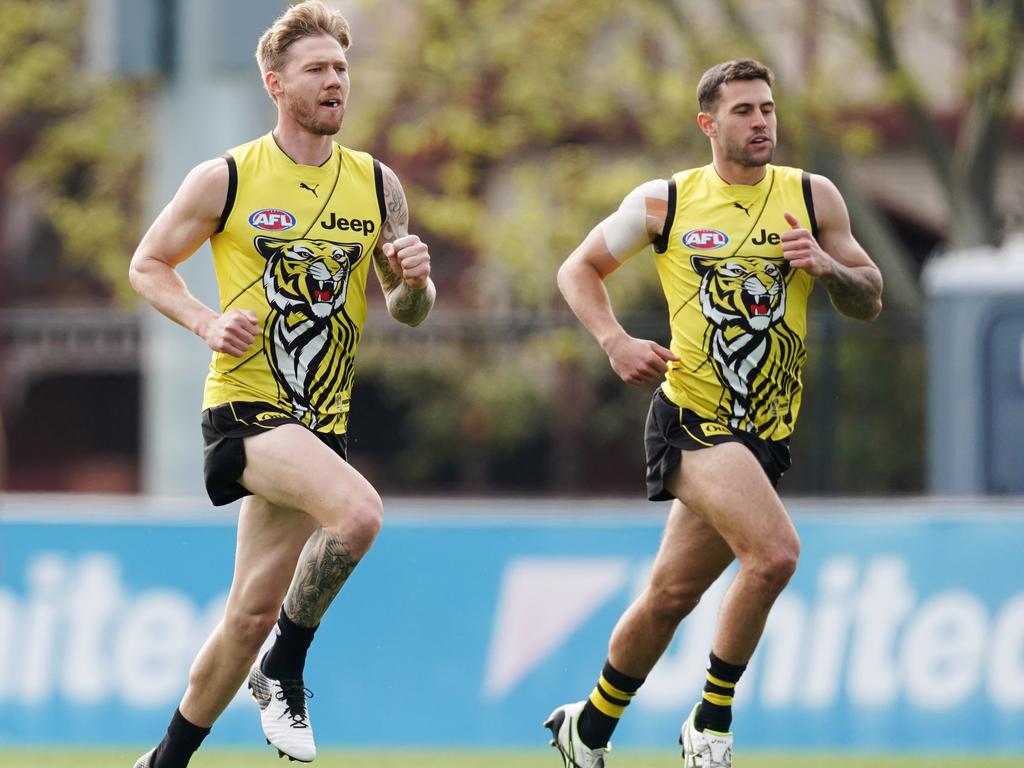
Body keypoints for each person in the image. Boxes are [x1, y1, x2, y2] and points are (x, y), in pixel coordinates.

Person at [546, 59, 882, 768]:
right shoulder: (664, 203)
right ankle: (711, 720)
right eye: (744, 111)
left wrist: (826, 267)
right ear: (709, 124)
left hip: (766, 436)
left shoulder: (812, 197)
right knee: (775, 555)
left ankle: (591, 727)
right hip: (692, 421)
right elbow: (576, 269)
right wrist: (614, 342)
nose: (761, 122)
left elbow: (870, 295)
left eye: (767, 109)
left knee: (669, 596)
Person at [128, 2, 435, 765]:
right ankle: (285, 670)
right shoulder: (226, 177)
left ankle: (163, 761)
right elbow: (147, 264)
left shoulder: (377, 185)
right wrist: (205, 322)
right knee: (360, 513)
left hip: (318, 420)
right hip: (245, 409)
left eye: (341, 69)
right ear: (276, 83)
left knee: (250, 609)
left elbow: (407, 312)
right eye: (317, 70)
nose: (335, 82)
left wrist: (414, 286)